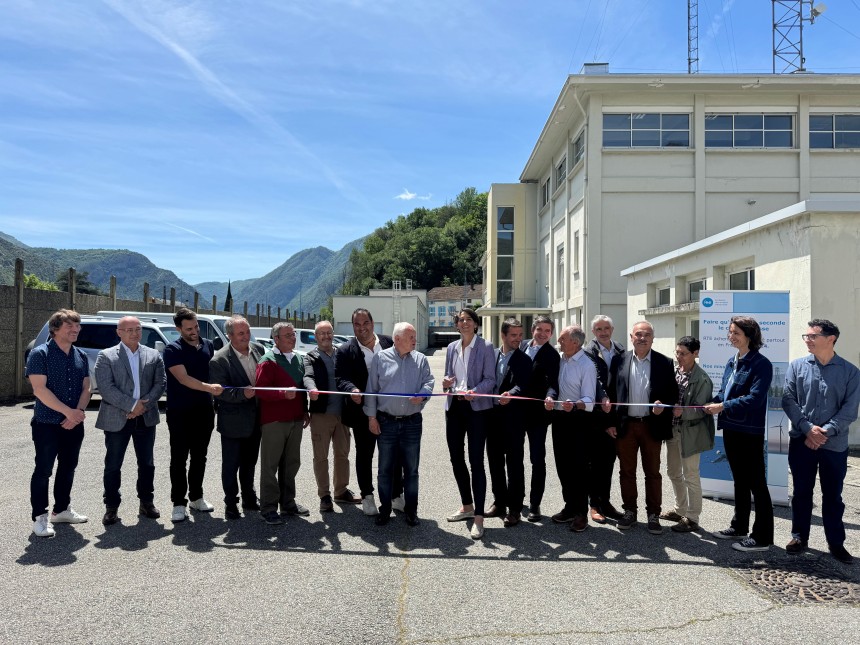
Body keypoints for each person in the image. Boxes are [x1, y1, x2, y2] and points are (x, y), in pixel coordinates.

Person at [781, 319, 860, 564]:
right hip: (801, 442)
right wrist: (807, 429)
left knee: (833, 496)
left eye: (812, 336)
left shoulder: (850, 372)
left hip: (834, 445)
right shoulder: (797, 366)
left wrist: (823, 432)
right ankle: (799, 537)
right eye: (806, 336)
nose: (808, 340)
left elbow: (850, 410)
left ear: (831, 339)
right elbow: (788, 400)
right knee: (801, 492)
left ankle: (836, 543)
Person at [704, 316, 774, 552]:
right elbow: (724, 393)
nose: (731, 336)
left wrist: (722, 406)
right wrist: (708, 403)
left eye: (736, 333)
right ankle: (739, 526)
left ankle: (762, 537)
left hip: (749, 432)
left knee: (757, 484)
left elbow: (755, 398)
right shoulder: (732, 361)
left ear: (749, 336)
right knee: (740, 481)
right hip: (731, 429)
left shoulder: (761, 364)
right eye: (730, 332)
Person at [603, 320, 677, 534]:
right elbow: (610, 393)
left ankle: (653, 514)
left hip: (651, 426)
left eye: (647, 335)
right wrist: (609, 423)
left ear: (652, 338)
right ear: (631, 337)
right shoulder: (619, 360)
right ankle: (630, 512)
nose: (642, 338)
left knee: (652, 472)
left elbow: (672, 394)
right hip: (625, 426)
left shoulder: (664, 362)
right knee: (627, 472)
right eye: (638, 334)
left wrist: (663, 406)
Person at [94, 316, 166, 525]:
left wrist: (143, 406)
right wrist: (132, 406)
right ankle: (111, 507)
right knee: (113, 465)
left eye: (138, 329)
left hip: (146, 417)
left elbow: (160, 383)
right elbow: (106, 388)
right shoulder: (106, 356)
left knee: (147, 463)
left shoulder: (153, 355)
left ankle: (146, 502)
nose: (135, 333)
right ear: (119, 332)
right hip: (117, 417)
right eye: (129, 330)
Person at [25, 309, 91, 537]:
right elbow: (39, 389)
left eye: (77, 325)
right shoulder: (40, 354)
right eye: (69, 326)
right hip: (47, 423)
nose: (76, 329)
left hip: (74, 423)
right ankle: (40, 517)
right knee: (43, 470)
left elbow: (87, 387)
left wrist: (77, 412)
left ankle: (61, 509)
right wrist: (69, 413)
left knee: (68, 467)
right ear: (55, 329)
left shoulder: (81, 355)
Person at [365, 322, 434, 527]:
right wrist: (371, 418)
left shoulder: (420, 359)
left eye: (414, 337)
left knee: (411, 471)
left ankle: (411, 511)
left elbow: (429, 381)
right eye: (411, 337)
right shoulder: (380, 358)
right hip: (386, 422)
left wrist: (423, 394)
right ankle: (385, 509)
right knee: (385, 470)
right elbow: (371, 389)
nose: (415, 340)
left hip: (412, 423)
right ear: (397, 339)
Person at [335, 308, 403, 516]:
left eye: (365, 323)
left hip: (389, 410)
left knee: (393, 455)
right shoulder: (345, 350)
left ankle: (395, 495)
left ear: (372, 323)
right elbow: (340, 378)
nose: (362, 328)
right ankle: (367, 496)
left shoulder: (389, 342)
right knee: (365, 455)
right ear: (353, 326)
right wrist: (352, 390)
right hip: (361, 412)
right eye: (357, 324)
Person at [162, 307, 223, 522]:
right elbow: (183, 378)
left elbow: (214, 371)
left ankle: (196, 497)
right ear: (178, 329)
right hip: (179, 412)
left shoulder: (208, 345)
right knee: (179, 458)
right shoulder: (172, 350)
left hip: (204, 411)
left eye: (196, 326)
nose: (194, 331)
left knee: (200, 456)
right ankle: (178, 503)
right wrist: (209, 388)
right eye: (189, 329)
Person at [442, 308, 496, 539]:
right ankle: (467, 506)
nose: (464, 323)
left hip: (477, 410)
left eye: (468, 319)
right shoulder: (452, 348)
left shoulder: (485, 347)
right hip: (454, 407)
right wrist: (446, 383)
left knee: (476, 462)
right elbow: (448, 378)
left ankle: (479, 517)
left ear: (476, 324)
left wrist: (475, 391)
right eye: (460, 320)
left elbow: (490, 379)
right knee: (456, 458)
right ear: (457, 325)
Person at [209, 316, 265, 519]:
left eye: (247, 332)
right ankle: (231, 503)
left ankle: (249, 498)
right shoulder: (219, 360)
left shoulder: (259, 350)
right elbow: (219, 392)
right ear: (229, 335)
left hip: (256, 420)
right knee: (231, 465)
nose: (246, 336)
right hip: (233, 422)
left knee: (250, 462)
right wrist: (243, 393)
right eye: (241, 333)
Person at [255, 322, 310, 525]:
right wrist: (281, 394)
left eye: (293, 334)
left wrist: (304, 410)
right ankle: (268, 507)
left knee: (291, 463)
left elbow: (301, 388)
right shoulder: (268, 361)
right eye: (288, 335)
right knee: (270, 466)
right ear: (276, 339)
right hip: (275, 421)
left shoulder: (298, 359)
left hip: (295, 419)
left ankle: (288, 503)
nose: (293, 338)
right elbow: (260, 390)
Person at [304, 320, 361, 512]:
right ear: (315, 336)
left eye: (329, 333)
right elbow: (308, 376)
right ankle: (324, 496)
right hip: (321, 415)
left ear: (333, 334)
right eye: (322, 333)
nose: (326, 336)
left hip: (343, 415)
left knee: (342, 455)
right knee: (321, 457)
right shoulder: (310, 357)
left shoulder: (341, 354)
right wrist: (311, 389)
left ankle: (341, 491)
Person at [661, 336, 714, 533]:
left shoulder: (702, 379)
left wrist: (683, 412)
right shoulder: (674, 372)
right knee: (673, 472)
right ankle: (680, 509)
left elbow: (703, 409)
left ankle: (692, 518)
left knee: (690, 475)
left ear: (695, 354)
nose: (679, 356)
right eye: (677, 352)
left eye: (683, 353)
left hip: (690, 433)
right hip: (673, 431)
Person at [547, 325, 597, 532]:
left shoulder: (587, 365)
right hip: (559, 418)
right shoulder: (560, 359)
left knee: (579, 468)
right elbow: (553, 385)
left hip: (578, 420)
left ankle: (580, 513)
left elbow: (590, 399)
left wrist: (576, 404)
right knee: (562, 466)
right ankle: (569, 507)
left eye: (562, 339)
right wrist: (550, 397)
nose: (558, 342)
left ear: (575, 343)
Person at [486, 317, 533, 527]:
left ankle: (515, 508)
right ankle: (499, 502)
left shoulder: (524, 360)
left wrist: (511, 394)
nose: (518, 339)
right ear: (503, 335)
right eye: (513, 335)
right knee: (495, 462)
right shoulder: (492, 355)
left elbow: (523, 385)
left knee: (514, 464)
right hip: (492, 418)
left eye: (520, 335)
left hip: (514, 419)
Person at [582, 314, 625, 522]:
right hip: (596, 418)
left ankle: (605, 502)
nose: (603, 332)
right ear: (593, 332)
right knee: (594, 464)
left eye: (606, 328)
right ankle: (594, 505)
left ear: (612, 329)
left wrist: (614, 421)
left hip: (614, 416)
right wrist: (606, 422)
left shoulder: (620, 350)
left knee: (608, 462)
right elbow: (596, 383)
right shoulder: (587, 352)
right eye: (598, 329)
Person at [518, 315, 560, 522]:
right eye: (540, 329)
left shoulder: (552, 355)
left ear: (551, 333)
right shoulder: (522, 345)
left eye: (547, 331)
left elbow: (553, 382)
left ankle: (535, 503)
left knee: (537, 459)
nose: (543, 334)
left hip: (538, 415)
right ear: (532, 329)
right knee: (515, 458)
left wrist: (551, 396)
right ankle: (516, 500)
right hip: (517, 412)